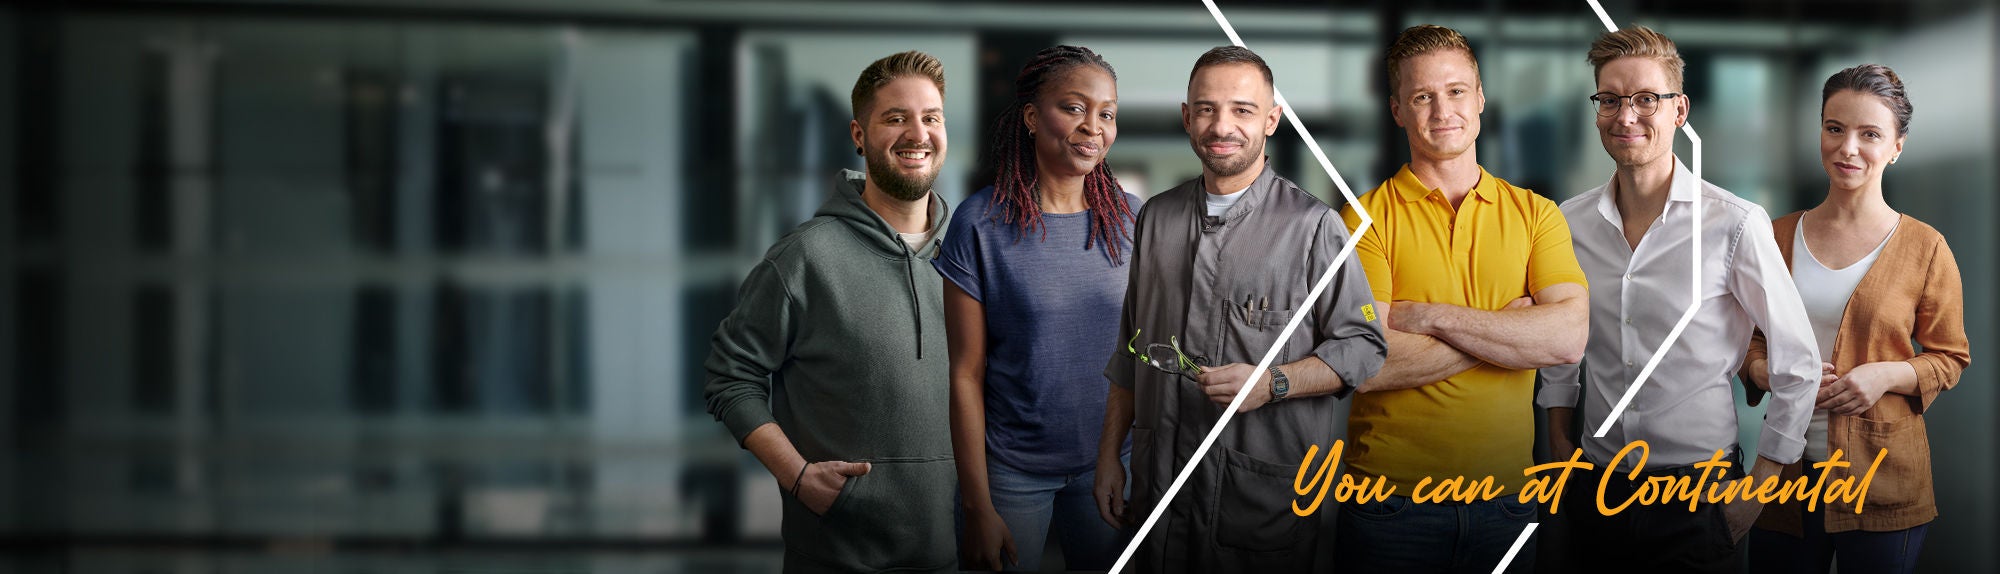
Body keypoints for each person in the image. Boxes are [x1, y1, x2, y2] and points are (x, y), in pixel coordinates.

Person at [1537, 26, 1820, 574]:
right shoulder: (1566, 223)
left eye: (1646, 99)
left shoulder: (1734, 223)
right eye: (1610, 99)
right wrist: (1556, 438)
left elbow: (1799, 363)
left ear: (1679, 110)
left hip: (1700, 494)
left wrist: (1757, 492)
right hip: (1596, 487)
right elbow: (1561, 344)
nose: (1626, 116)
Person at [1093, 45, 1385, 573]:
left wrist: (1272, 382)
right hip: (1159, 493)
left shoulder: (1314, 228)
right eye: (1206, 108)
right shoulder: (1156, 218)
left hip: (1258, 501)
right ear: (1186, 116)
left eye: (1242, 110)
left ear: (1272, 119)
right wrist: (1110, 455)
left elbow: (1364, 346)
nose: (1221, 125)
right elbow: (1129, 350)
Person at [1335, 25, 1589, 574]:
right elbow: (1368, 364)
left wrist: (1427, 317)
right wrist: (1510, 332)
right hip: (1389, 504)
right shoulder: (1362, 220)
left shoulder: (1536, 214)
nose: (1442, 109)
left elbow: (1567, 339)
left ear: (1480, 99)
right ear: (1398, 110)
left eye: (1455, 91)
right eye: (1423, 96)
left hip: (1508, 502)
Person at [703, 50, 957, 573]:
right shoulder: (805, 257)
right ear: (858, 135)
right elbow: (731, 376)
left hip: (955, 551)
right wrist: (796, 475)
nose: (918, 133)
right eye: (895, 118)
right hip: (837, 556)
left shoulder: (973, 255)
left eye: (930, 117)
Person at [1742, 63, 1970, 574]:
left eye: (1870, 135)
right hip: (1784, 478)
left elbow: (1950, 357)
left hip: (1885, 482)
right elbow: (1748, 339)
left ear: (1897, 146)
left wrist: (1884, 375)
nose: (1848, 148)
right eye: (1834, 129)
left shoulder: (1926, 247)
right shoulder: (1773, 237)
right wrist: (1763, 371)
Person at [938, 45, 1137, 572]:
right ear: (1031, 116)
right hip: (1010, 472)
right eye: (1073, 107)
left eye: (1106, 113)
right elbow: (964, 373)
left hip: (1113, 463)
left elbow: (1142, 355)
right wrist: (978, 505)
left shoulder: (1135, 221)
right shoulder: (978, 224)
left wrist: (1117, 456)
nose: (1092, 126)